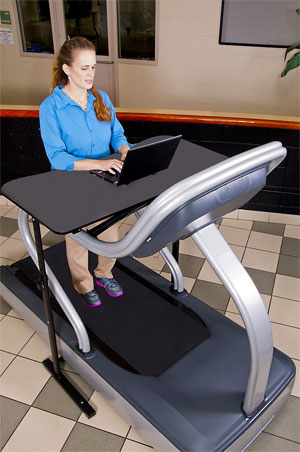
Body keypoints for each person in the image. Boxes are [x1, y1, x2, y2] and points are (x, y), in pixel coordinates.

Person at [39, 36, 130, 307]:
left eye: (93, 67)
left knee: (110, 234)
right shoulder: (50, 107)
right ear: (67, 69)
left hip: (104, 180)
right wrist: (99, 163)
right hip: (72, 182)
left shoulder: (101, 98)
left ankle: (103, 273)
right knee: (78, 238)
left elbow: (117, 133)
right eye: (84, 68)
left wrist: (124, 149)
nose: (91, 74)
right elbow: (57, 158)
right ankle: (83, 284)